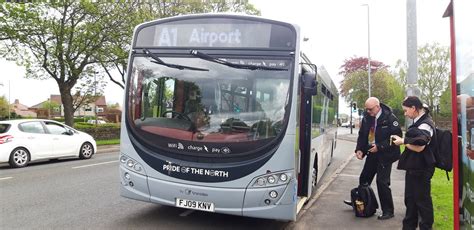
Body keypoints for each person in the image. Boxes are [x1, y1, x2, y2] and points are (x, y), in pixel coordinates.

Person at [344, 97, 402, 220]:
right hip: (372, 152)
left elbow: (396, 137)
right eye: (367, 109)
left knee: (382, 182)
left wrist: (380, 146)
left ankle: (388, 210)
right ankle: (360, 201)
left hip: (386, 154)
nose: (368, 112)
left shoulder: (390, 118)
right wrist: (359, 149)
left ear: (377, 106)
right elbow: (363, 135)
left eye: (370, 109)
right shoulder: (367, 117)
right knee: (364, 178)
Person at [392, 96, 435, 230]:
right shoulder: (420, 122)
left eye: (406, 110)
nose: (405, 113)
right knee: (410, 201)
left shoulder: (425, 124)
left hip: (422, 169)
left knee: (422, 203)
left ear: (413, 108)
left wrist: (402, 141)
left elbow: (420, 146)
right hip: (414, 168)